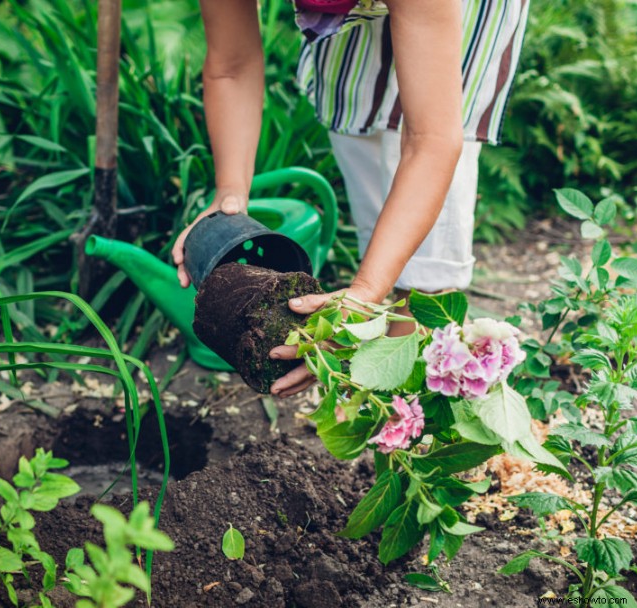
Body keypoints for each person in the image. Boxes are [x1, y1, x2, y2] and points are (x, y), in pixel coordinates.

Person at [172, 0, 530, 398]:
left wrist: (365, 291)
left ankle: (411, 396)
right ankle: (381, 373)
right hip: (356, 35)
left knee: (429, 259)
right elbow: (232, 66)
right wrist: (230, 193)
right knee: (361, 119)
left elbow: (432, 140)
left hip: (448, 14)